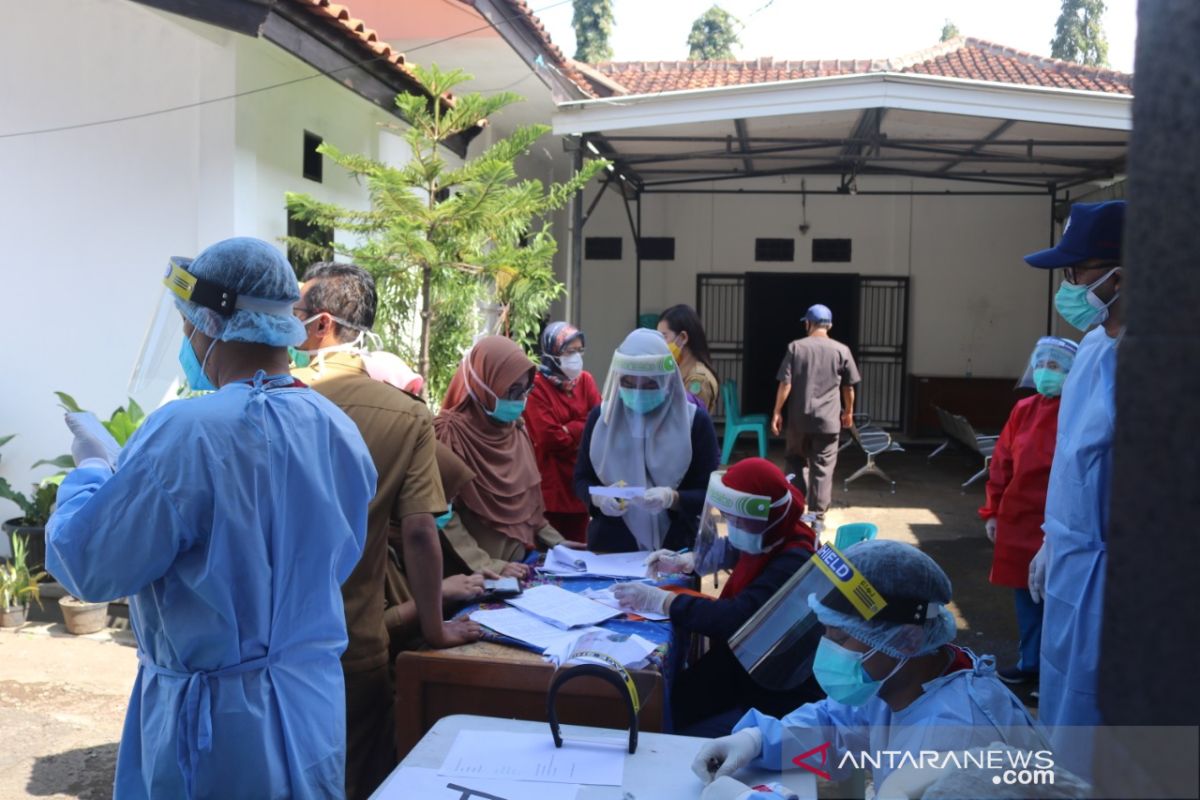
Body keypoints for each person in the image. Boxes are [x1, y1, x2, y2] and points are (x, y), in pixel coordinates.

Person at [46, 238, 377, 800]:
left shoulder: (187, 431)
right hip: (309, 704)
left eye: (185, 325)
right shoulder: (334, 427)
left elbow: (87, 565)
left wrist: (94, 474)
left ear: (211, 323)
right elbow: (332, 561)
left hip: (219, 730)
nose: (184, 339)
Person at [291, 262, 479, 799]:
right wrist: (437, 628)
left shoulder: (272, 395)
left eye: (295, 310)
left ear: (321, 324)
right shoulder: (404, 413)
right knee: (358, 777)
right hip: (353, 642)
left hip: (268, 642)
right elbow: (421, 532)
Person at [692, 540, 1043, 798]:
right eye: (825, 634)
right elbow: (838, 726)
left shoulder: (955, 739)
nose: (827, 651)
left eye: (842, 639)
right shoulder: (900, 678)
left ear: (906, 639)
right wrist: (757, 741)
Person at [1022, 199, 1125, 779]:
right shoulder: (1091, 349)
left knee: (1092, 714)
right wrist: (1051, 537)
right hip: (1069, 555)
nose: (1069, 288)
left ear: (1123, 275)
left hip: (1112, 574)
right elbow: (1072, 461)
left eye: (1076, 272)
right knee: (1058, 695)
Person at [613, 458, 824, 736]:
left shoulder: (795, 560)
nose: (730, 525)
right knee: (675, 698)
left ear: (766, 519)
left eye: (737, 520)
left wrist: (662, 601)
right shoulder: (781, 532)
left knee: (672, 719)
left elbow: (735, 617)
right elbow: (746, 548)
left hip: (770, 693)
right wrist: (690, 560)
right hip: (744, 660)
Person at [978, 336, 1079, 688]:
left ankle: (1056, 675)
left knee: (1062, 600)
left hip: (1064, 522)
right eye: (1040, 365)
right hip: (1019, 520)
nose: (1044, 372)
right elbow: (1002, 463)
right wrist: (992, 511)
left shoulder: (1078, 409)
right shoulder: (1024, 410)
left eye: (1054, 366)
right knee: (1026, 595)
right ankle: (1031, 663)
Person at [434, 335, 578, 578]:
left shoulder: (516, 430)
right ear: (483, 385)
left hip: (518, 569)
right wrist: (488, 565)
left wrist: (558, 543)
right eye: (511, 391)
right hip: (472, 576)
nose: (520, 401)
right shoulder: (449, 434)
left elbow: (528, 507)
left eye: (525, 391)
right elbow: (442, 516)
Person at [574, 328, 720, 553]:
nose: (638, 393)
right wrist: (600, 499)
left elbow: (709, 493)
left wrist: (673, 498)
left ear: (668, 381)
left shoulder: (693, 423)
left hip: (675, 549)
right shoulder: (603, 418)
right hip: (612, 547)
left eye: (650, 385)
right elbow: (582, 479)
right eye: (629, 384)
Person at [384, 442, 489, 660]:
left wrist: (467, 584)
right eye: (444, 501)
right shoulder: (374, 549)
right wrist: (439, 592)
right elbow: (372, 628)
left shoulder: (411, 539)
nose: (448, 510)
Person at [770, 304, 860, 533]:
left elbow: (786, 383)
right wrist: (849, 411)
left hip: (800, 420)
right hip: (828, 421)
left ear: (808, 323)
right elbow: (848, 387)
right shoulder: (842, 350)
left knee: (795, 461)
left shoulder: (796, 347)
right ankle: (817, 516)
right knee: (822, 466)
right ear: (829, 325)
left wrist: (777, 412)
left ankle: (795, 509)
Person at [523, 322, 602, 543]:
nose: (576, 357)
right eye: (569, 351)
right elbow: (550, 439)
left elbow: (600, 423)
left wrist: (569, 428)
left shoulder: (585, 381)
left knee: (579, 551)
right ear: (552, 352)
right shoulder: (536, 387)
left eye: (579, 350)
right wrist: (582, 427)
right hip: (551, 492)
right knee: (550, 556)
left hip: (580, 486)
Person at [657, 304, 720, 412]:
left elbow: (687, 419)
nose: (659, 343)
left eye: (664, 336)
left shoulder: (698, 379)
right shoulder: (677, 370)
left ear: (683, 338)